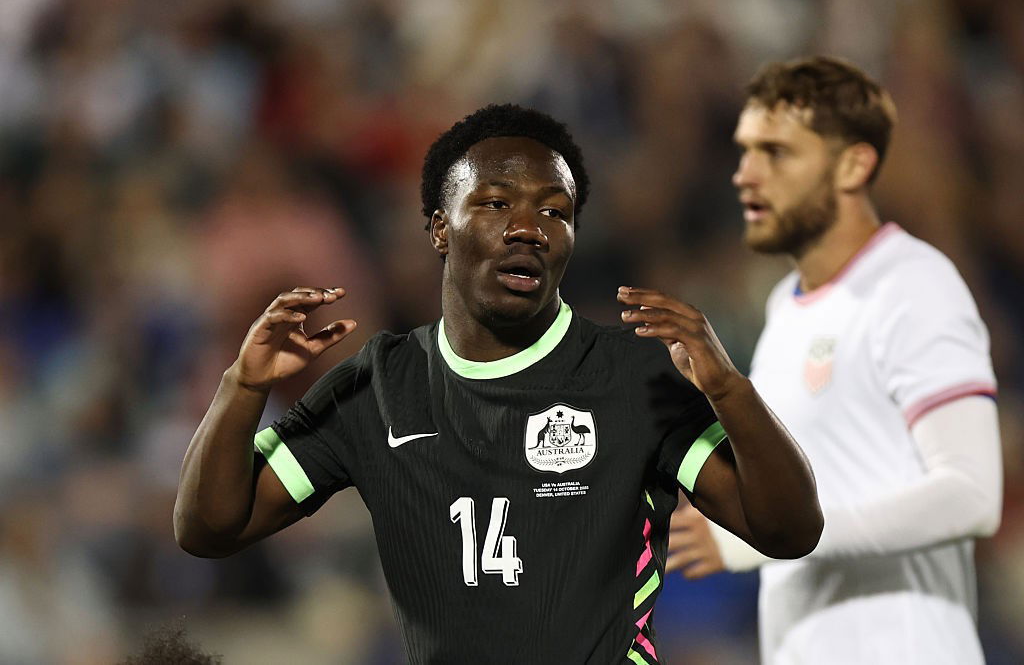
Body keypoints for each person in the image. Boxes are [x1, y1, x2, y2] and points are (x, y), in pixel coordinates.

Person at [174, 103, 823, 664]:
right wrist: (243, 386)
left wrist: (730, 391)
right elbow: (208, 526)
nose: (528, 228)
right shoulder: (378, 387)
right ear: (439, 227)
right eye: (495, 203)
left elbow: (788, 530)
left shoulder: (634, 377)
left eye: (554, 210)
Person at [667, 57, 1002, 664]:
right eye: (745, 151)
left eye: (776, 152)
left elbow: (971, 496)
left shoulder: (913, 285)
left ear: (853, 164)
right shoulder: (785, 308)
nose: (746, 174)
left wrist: (764, 540)